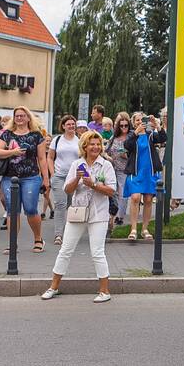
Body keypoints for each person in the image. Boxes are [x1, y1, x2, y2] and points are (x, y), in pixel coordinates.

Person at [41, 131, 117, 303]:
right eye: (92, 144)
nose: (96, 147)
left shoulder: (106, 165)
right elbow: (67, 190)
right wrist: (77, 179)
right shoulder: (77, 164)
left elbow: (112, 190)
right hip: (77, 212)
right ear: (84, 146)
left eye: (98, 144)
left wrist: (94, 184)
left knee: (97, 252)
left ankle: (105, 291)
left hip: (99, 213)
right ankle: (53, 287)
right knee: (66, 250)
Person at [0, 106, 49, 253]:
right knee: (13, 210)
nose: (19, 118)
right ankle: (12, 243)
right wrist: (13, 152)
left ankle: (38, 239)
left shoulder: (37, 135)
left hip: (31, 176)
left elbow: (42, 159)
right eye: (17, 116)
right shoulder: (7, 134)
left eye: (22, 116)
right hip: (9, 177)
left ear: (28, 118)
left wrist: (46, 179)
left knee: (31, 209)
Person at [123, 112, 166, 240]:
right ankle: (133, 229)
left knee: (148, 199)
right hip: (136, 171)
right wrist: (136, 132)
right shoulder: (132, 135)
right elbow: (127, 146)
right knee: (135, 197)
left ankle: (145, 229)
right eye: (137, 120)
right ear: (133, 122)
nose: (140, 122)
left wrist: (157, 124)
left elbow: (163, 138)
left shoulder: (151, 134)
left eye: (143, 120)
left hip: (150, 172)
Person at [47, 115, 81, 246]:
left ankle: (71, 232)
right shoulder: (57, 140)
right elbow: (50, 157)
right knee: (60, 204)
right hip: (59, 176)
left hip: (74, 178)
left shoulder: (79, 141)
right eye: (69, 124)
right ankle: (59, 235)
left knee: (71, 205)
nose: (71, 126)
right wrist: (53, 174)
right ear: (63, 126)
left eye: (73, 124)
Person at [105, 112, 131, 225]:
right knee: (112, 192)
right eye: (121, 125)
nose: (124, 128)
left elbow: (136, 153)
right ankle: (111, 214)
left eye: (126, 125)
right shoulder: (114, 137)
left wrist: (126, 154)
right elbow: (105, 151)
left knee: (122, 193)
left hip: (125, 169)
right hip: (112, 168)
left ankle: (119, 217)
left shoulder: (131, 136)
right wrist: (109, 158)